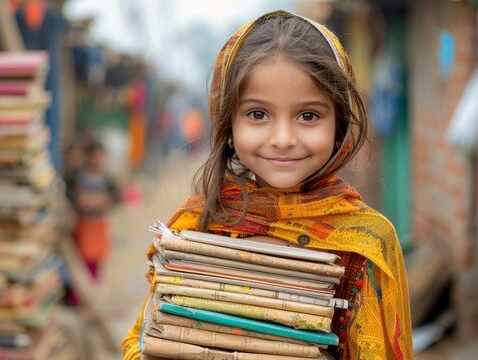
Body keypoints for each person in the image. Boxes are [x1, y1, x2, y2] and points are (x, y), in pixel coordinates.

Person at [122, 10, 412, 359]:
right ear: (228, 121)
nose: (283, 138)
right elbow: (143, 338)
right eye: (258, 114)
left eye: (308, 115)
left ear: (339, 122)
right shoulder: (197, 225)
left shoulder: (364, 244)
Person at [72, 140, 118, 282]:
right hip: (85, 225)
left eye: (100, 156)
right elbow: (81, 201)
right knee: (83, 260)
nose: (97, 159)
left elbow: (110, 200)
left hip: (99, 224)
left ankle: (94, 287)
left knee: (97, 260)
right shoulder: (81, 177)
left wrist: (92, 201)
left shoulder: (107, 178)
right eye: (94, 156)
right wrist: (98, 201)